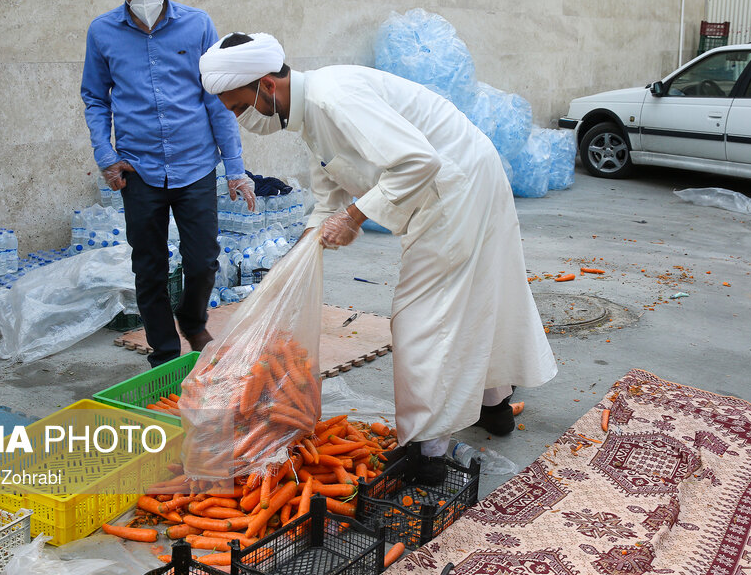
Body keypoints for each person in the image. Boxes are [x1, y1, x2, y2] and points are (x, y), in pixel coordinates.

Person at [199, 33, 557, 483]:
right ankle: (495, 405)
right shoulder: (310, 113)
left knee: (420, 318)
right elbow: (330, 185)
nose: (238, 118)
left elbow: (416, 161)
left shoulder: (334, 99)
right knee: (483, 292)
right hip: (460, 177)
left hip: (453, 186)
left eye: (237, 107)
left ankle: (427, 451)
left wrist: (354, 216)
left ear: (267, 86)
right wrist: (308, 243)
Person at [81, 0, 255, 368]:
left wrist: (235, 169)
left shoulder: (197, 26)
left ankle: (193, 320)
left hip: (195, 166)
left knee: (203, 262)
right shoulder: (102, 33)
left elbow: (217, 99)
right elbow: (96, 98)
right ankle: (162, 352)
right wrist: (106, 156)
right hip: (138, 172)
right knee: (149, 267)